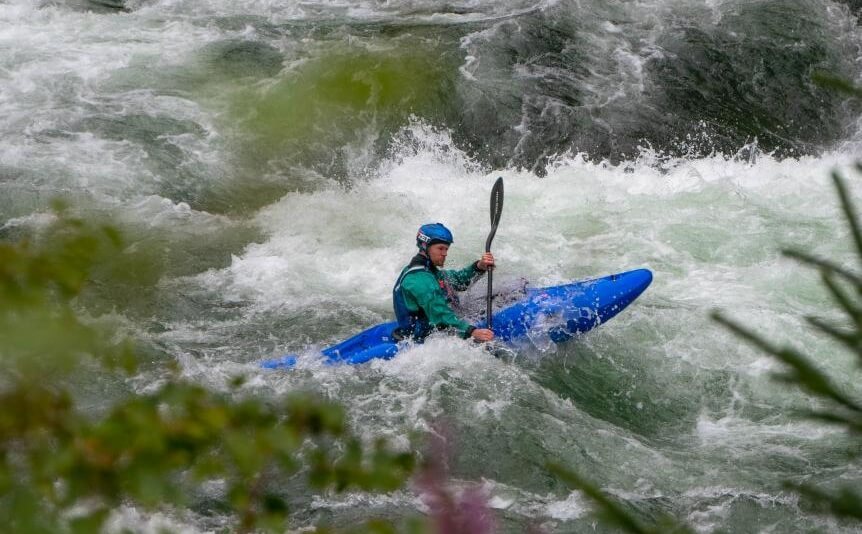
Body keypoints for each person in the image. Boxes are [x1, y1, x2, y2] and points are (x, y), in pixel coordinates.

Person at [392, 222, 496, 343]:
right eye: (440, 248)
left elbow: (457, 280)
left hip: (433, 326)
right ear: (425, 247)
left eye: (446, 249)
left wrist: (479, 266)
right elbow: (440, 315)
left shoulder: (428, 270)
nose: (445, 253)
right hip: (422, 337)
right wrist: (472, 332)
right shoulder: (419, 279)